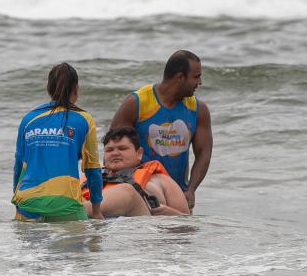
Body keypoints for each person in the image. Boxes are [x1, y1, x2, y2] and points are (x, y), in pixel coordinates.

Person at [110, 50, 212, 210]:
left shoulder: (198, 109)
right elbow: (113, 151)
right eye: (196, 76)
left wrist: (191, 189)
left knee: (182, 235)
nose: (200, 82)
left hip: (179, 195)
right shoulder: (136, 103)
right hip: (142, 194)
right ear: (180, 77)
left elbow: (204, 153)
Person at [12, 62, 103, 222]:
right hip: (65, 203)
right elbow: (92, 169)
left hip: (27, 202)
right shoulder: (84, 120)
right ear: (76, 88)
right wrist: (96, 211)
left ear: (49, 88)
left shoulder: (29, 119)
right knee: (89, 244)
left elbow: (19, 164)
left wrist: (18, 200)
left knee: (29, 248)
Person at [82, 126, 190, 217]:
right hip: (101, 226)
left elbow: (189, 222)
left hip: (143, 225)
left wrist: (171, 214)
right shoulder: (90, 177)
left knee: (128, 190)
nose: (115, 153)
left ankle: (83, 210)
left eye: (122, 148)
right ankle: (81, 210)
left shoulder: (161, 180)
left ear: (139, 153)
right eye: (109, 150)